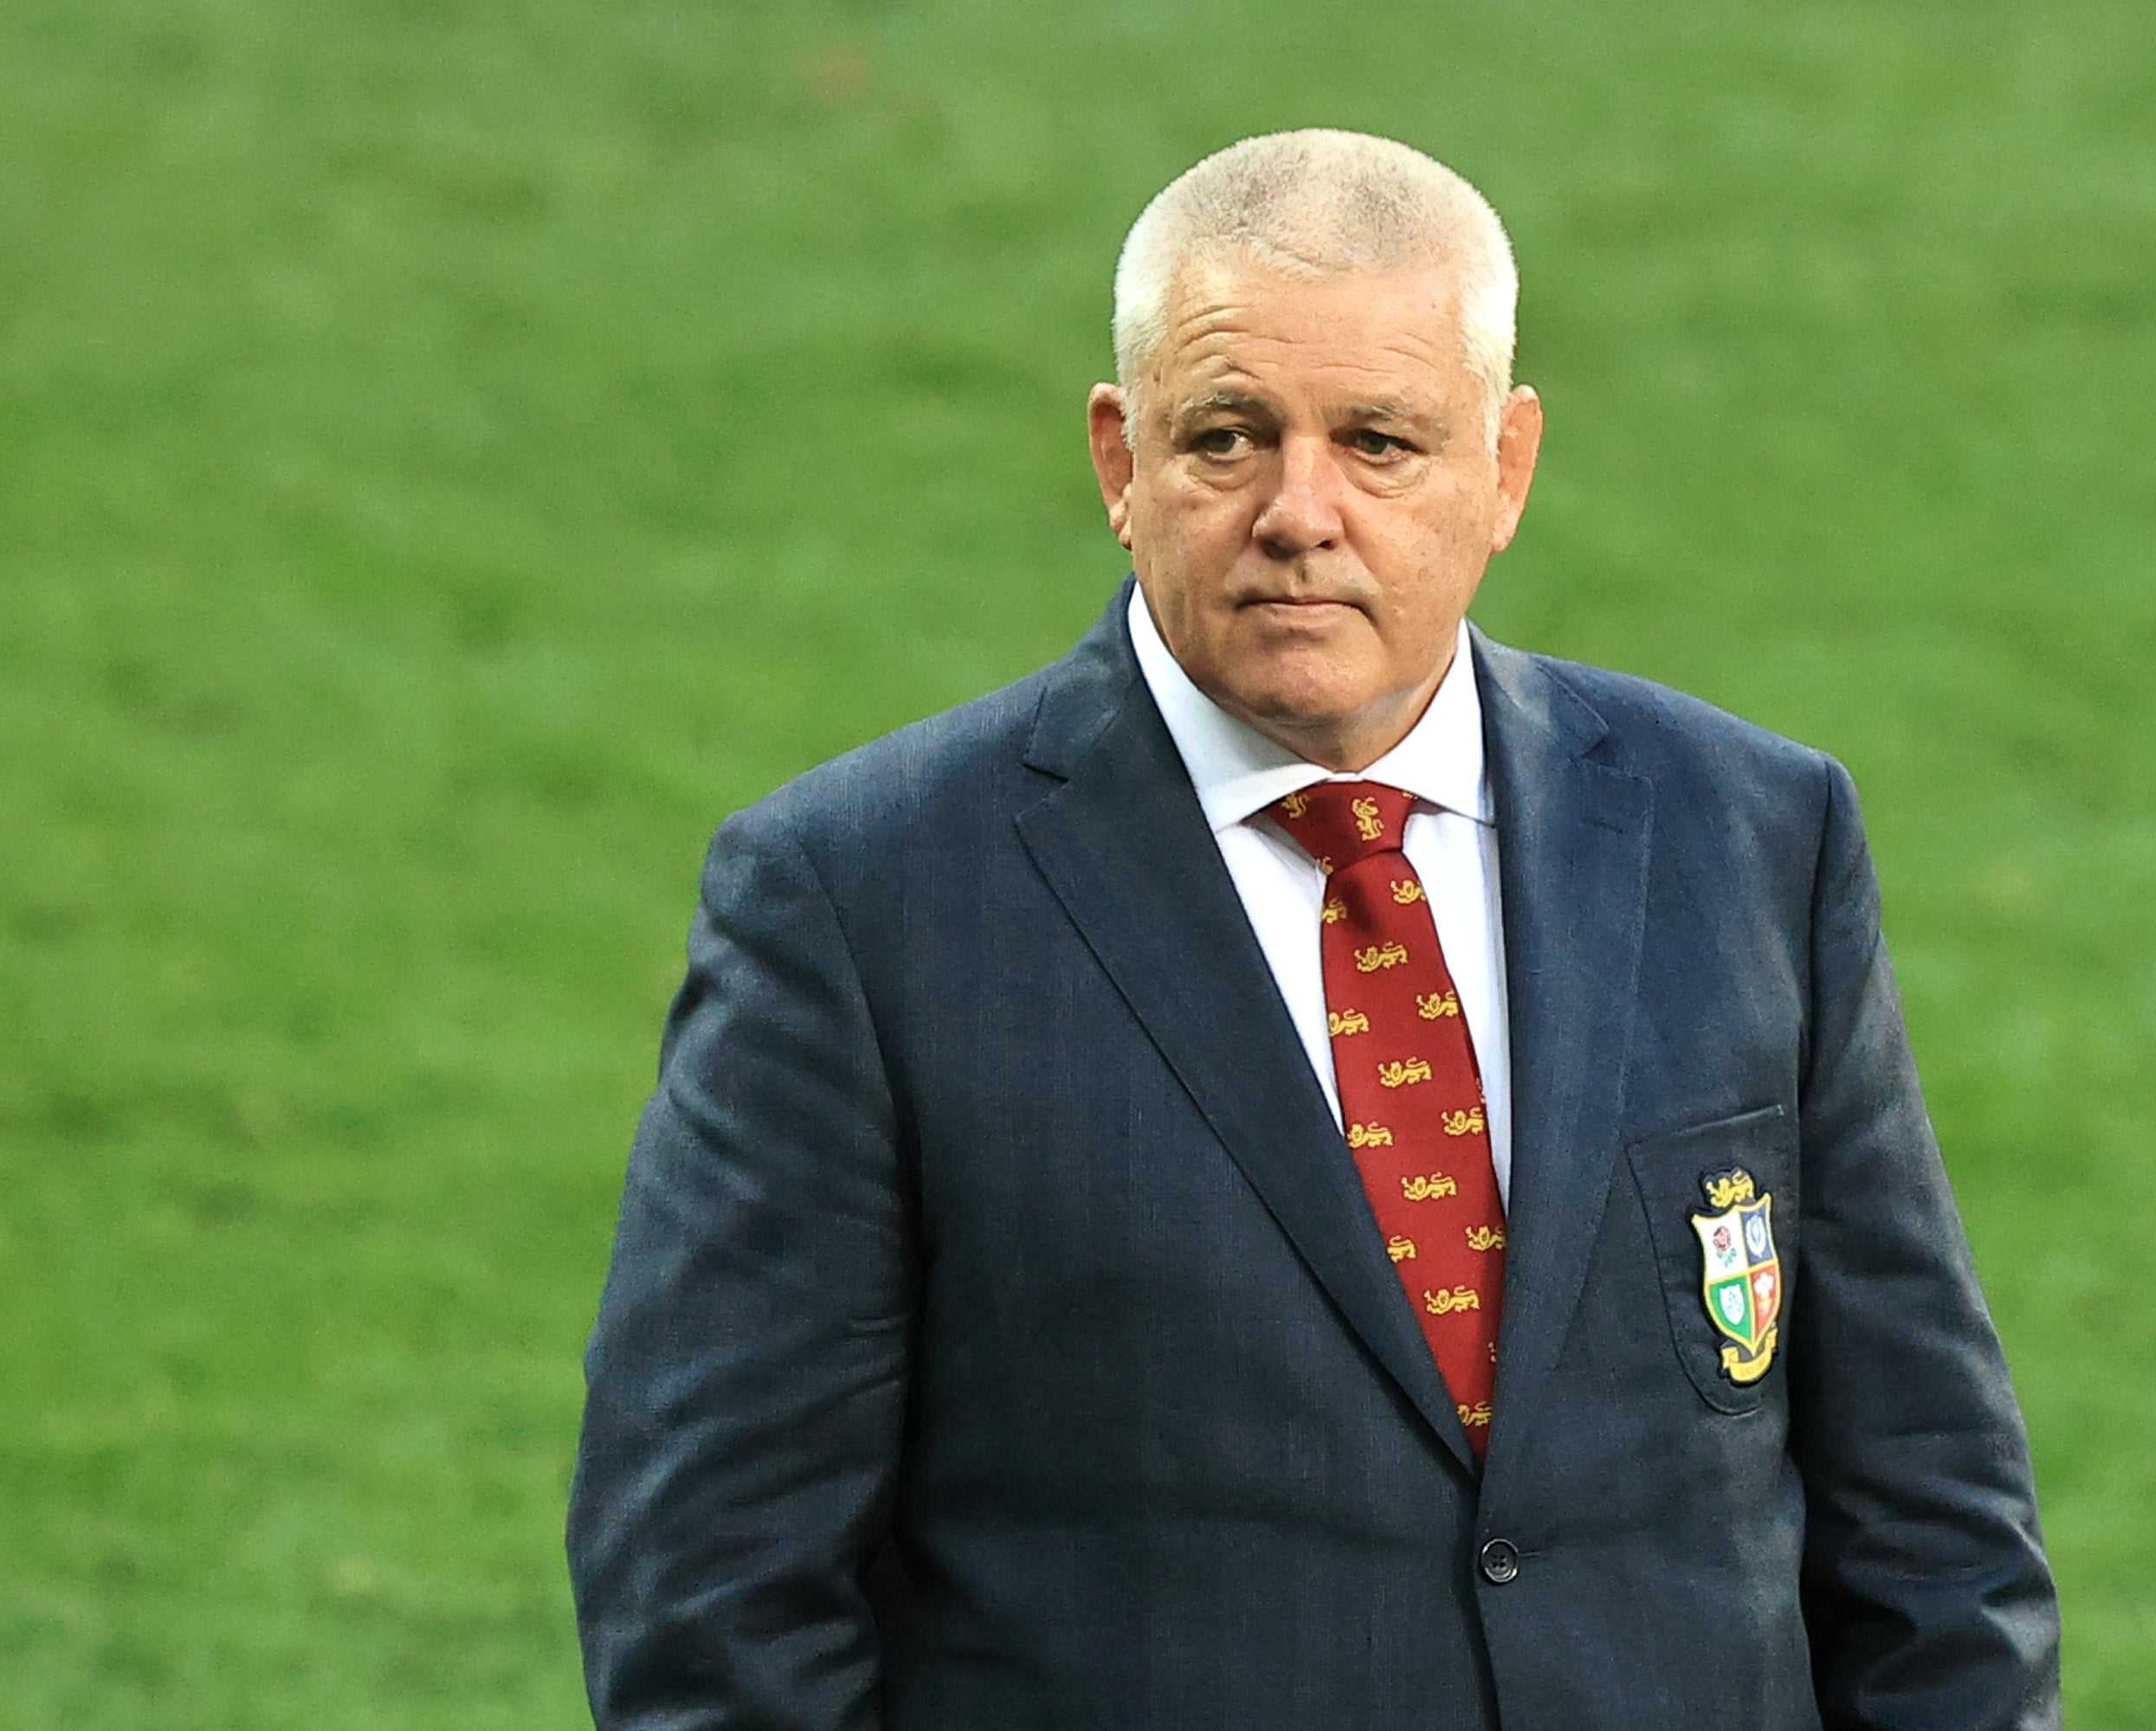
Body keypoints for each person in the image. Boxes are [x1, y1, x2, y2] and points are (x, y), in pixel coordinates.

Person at [567, 129, 2059, 1729]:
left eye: (1381, 442)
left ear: (1507, 467)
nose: (1302, 511)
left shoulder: (1751, 832)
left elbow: (1933, 1527)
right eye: (1227, 437)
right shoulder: (856, 906)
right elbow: (713, 1594)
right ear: (1118, 460)